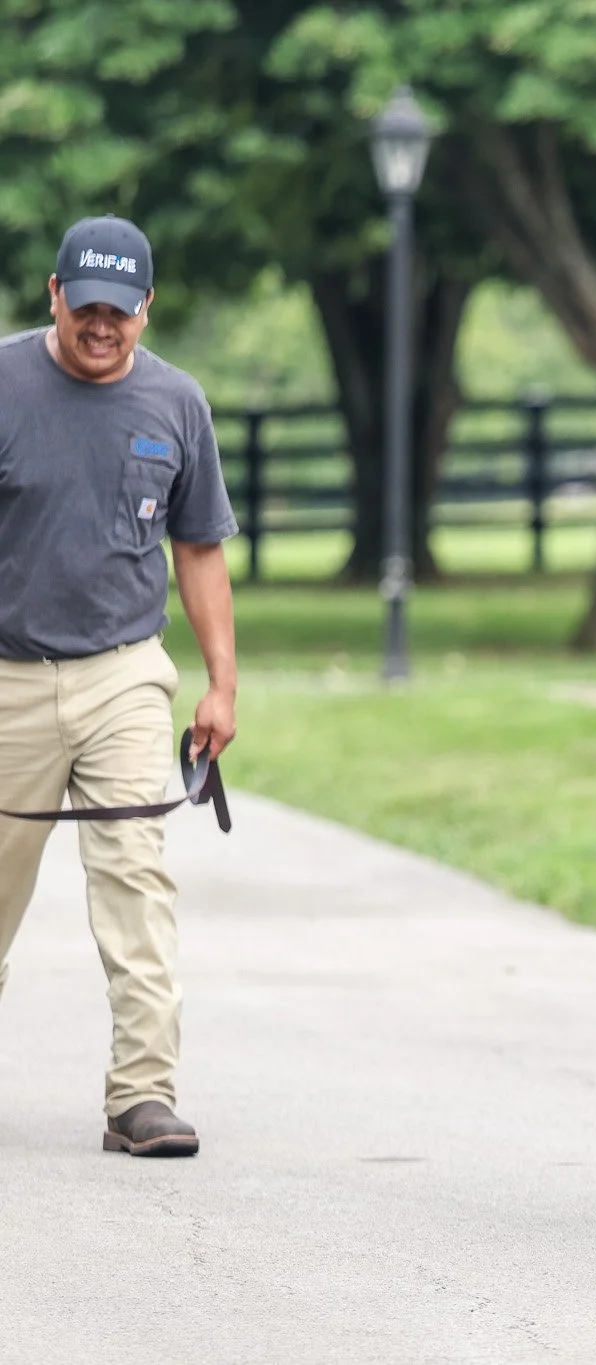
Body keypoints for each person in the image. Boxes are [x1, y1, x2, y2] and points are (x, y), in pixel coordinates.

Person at [0, 215, 240, 1157]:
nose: (101, 326)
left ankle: (142, 1095)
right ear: (54, 296)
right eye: (85, 307)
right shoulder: (6, 384)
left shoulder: (176, 403)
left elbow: (200, 549)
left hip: (124, 676)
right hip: (9, 673)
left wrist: (221, 683)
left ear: (146, 307)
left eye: (120, 311)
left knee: (137, 879)